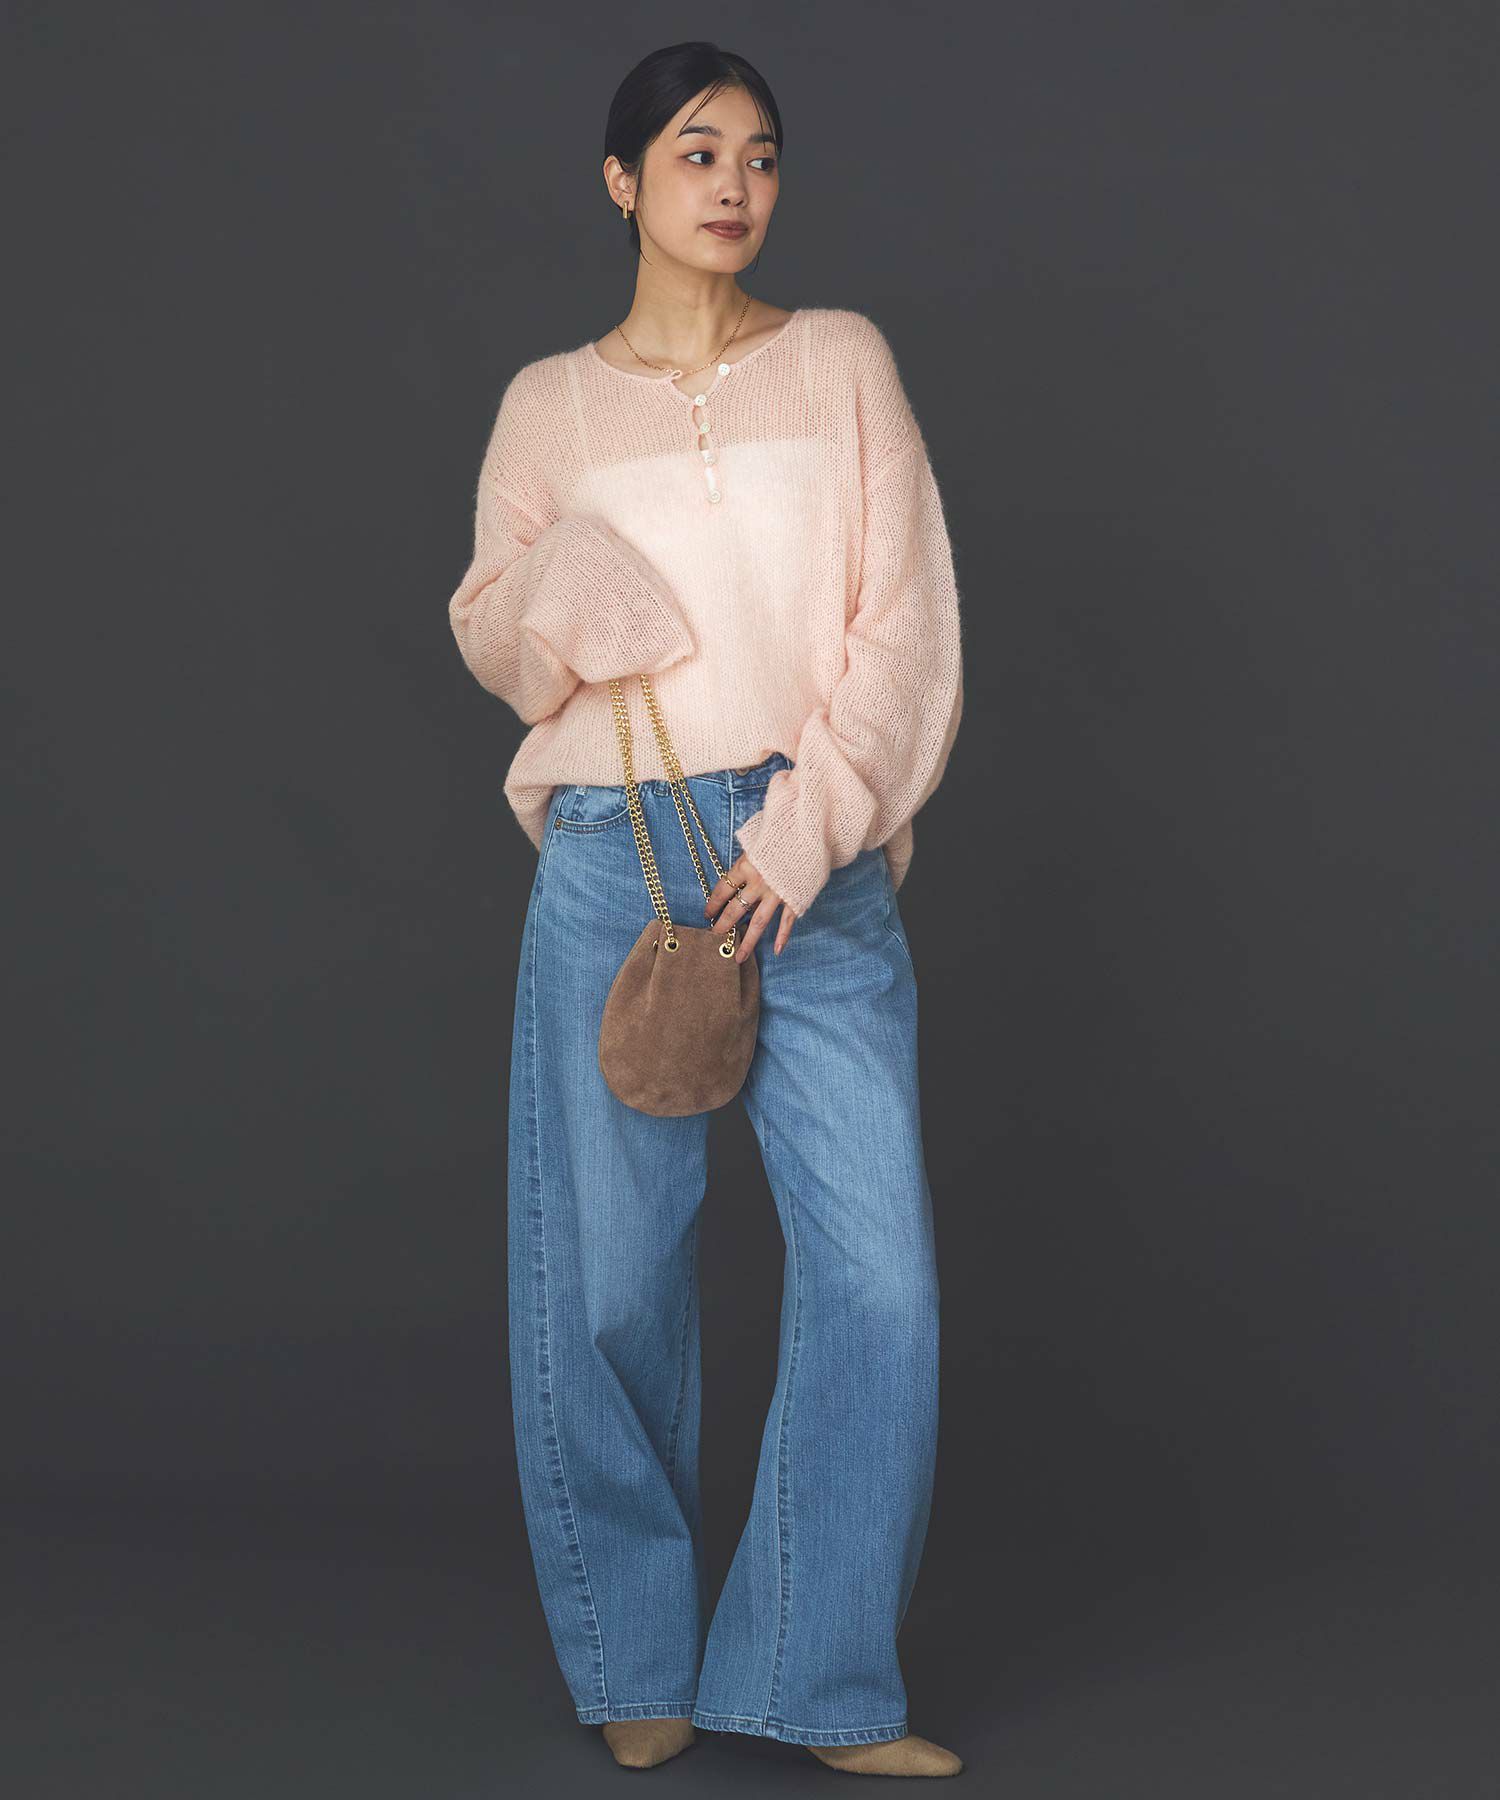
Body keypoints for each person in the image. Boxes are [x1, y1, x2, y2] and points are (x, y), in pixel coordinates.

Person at [446, 41, 965, 1778]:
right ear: (623, 181)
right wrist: (574, 585)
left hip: (807, 850)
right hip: (618, 845)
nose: (734, 183)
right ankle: (637, 1656)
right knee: (606, 1276)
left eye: (759, 154)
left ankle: (817, 1677)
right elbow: (500, 637)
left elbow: (905, 624)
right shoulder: (548, 407)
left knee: (879, 1277)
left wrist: (807, 832)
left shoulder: (842, 362)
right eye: (694, 151)